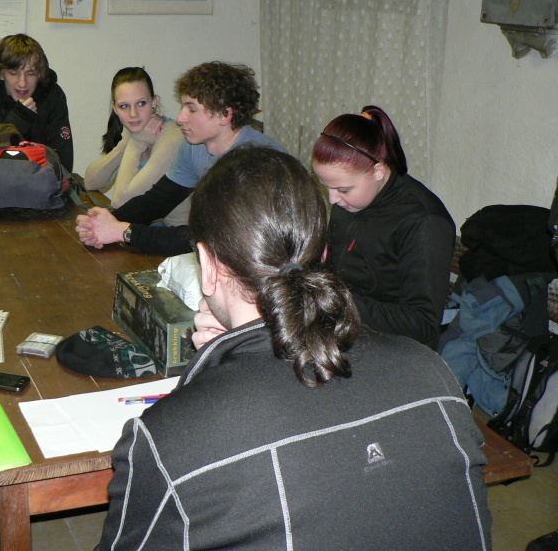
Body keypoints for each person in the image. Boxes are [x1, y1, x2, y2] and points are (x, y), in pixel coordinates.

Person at [95, 146, 491, 551]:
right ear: (323, 254)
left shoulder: (168, 436)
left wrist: (207, 378)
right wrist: (225, 359)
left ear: (207, 266)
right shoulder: (432, 371)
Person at [76, 61, 286, 256]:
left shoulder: (256, 163)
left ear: (224, 114)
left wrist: (123, 232)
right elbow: (158, 200)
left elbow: (206, 239)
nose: (180, 118)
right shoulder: (194, 147)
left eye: (191, 109)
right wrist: (103, 223)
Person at [312, 106, 455, 349]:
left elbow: (422, 324)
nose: (333, 199)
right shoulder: (349, 203)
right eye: (327, 187)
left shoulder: (424, 222)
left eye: (343, 189)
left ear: (378, 171)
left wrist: (337, 301)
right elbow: (337, 270)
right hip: (348, 329)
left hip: (397, 350)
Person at [84, 67, 189, 227]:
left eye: (141, 103)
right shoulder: (139, 133)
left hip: (184, 234)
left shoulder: (173, 138)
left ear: (154, 102)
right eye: (124, 106)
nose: (133, 114)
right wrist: (128, 141)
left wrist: (136, 143)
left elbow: (121, 202)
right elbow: (91, 181)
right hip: (156, 225)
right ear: (114, 108)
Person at [0, 34, 73, 171]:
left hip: (41, 181)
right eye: (14, 73)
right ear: (1, 74)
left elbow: (63, 162)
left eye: (31, 73)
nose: (23, 83)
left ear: (40, 74)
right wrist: (14, 125)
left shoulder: (52, 96)